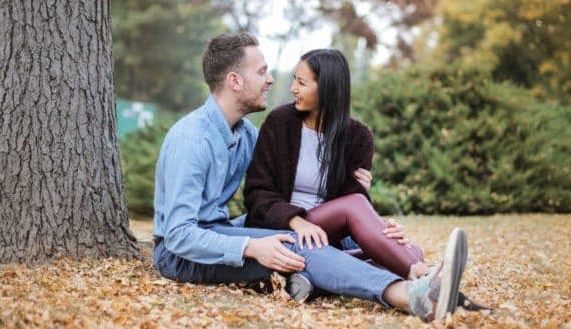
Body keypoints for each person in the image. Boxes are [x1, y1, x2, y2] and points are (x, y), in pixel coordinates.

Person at [152, 32, 468, 322]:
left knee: (302, 243)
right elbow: (179, 235)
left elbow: (276, 181)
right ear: (234, 81)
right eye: (261, 72)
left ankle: (410, 271)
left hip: (221, 230)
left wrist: (369, 215)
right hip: (180, 255)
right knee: (295, 243)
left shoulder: (245, 134)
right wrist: (250, 247)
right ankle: (410, 294)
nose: (272, 80)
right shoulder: (192, 139)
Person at [244, 49, 433, 280]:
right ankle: (419, 274)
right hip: (282, 228)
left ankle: (311, 276)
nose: (293, 88)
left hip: (327, 235)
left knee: (412, 249)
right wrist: (297, 221)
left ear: (327, 89)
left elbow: (352, 203)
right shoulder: (280, 123)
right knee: (403, 254)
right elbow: (257, 193)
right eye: (294, 79)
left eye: (301, 83)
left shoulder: (358, 137)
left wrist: (384, 230)